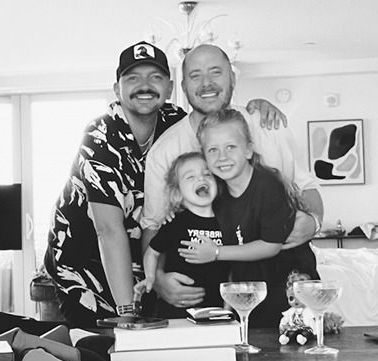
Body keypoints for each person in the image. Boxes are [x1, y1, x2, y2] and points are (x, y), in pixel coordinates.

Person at [43, 41, 282, 327]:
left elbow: (216, 123)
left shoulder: (174, 122)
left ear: (170, 89)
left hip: (137, 259)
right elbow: (107, 231)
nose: (144, 85)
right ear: (117, 89)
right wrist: (128, 312)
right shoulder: (99, 137)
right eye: (133, 78)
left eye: (154, 77)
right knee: (102, 350)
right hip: (84, 260)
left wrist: (257, 108)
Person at [141, 44, 324, 311]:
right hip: (215, 281)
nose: (206, 84)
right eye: (195, 75)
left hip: (286, 269)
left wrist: (314, 222)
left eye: (216, 72)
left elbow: (306, 186)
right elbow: (154, 224)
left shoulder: (266, 124)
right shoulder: (165, 150)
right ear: (182, 86)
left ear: (233, 78)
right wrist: (157, 280)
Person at [179, 109, 320, 328]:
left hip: (289, 281)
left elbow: (271, 246)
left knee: (293, 340)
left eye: (231, 147)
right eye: (213, 150)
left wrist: (215, 253)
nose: (222, 157)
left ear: (248, 150)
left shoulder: (268, 184)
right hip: (252, 284)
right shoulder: (217, 190)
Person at [135, 152, 227, 318]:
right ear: (177, 193)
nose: (201, 179)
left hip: (216, 309)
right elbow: (152, 252)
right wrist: (150, 278)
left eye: (207, 174)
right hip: (177, 309)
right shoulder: (176, 222)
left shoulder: (227, 221)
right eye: (190, 177)